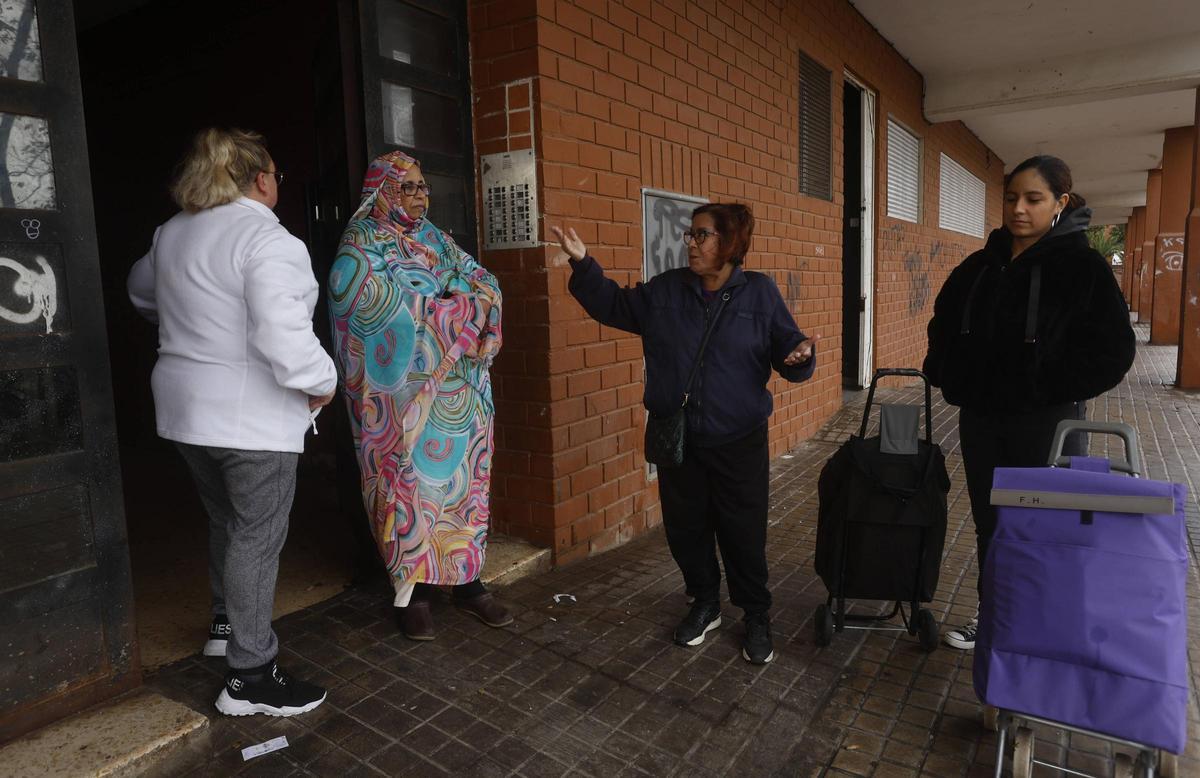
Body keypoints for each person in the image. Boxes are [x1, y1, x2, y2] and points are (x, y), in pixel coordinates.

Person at [127, 128, 335, 716]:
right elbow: (283, 335)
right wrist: (323, 383)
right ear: (262, 180)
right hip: (251, 419)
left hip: (186, 412)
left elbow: (142, 294)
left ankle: (226, 624)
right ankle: (249, 676)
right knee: (257, 536)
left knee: (227, 521)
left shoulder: (171, 233)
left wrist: (194, 329)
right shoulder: (269, 239)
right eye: (277, 176)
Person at [556, 203, 819, 665]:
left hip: (739, 439)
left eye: (702, 235)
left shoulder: (759, 293)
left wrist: (800, 358)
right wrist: (584, 264)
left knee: (742, 532)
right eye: (690, 235)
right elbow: (615, 305)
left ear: (730, 243)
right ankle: (704, 602)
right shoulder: (666, 290)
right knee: (686, 529)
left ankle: (755, 614)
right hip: (679, 437)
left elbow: (786, 349)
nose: (691, 244)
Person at [923, 155, 1135, 650]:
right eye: (1012, 197)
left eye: (1033, 199)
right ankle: (993, 616)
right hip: (982, 420)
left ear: (1060, 203)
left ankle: (1034, 627)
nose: (1019, 209)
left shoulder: (1082, 268)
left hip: (1046, 422)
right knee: (990, 522)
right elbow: (943, 325)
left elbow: (1114, 351)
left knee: (1039, 525)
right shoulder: (981, 265)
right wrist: (950, 376)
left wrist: (1045, 386)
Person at [328, 151, 511, 640]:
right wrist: (457, 307)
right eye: (407, 187)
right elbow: (375, 309)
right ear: (382, 190)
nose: (420, 195)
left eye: (424, 186)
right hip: (401, 403)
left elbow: (484, 282)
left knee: (463, 490)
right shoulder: (360, 247)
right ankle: (413, 593)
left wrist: (464, 301)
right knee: (408, 490)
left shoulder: (435, 238)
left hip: (459, 397)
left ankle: (468, 580)